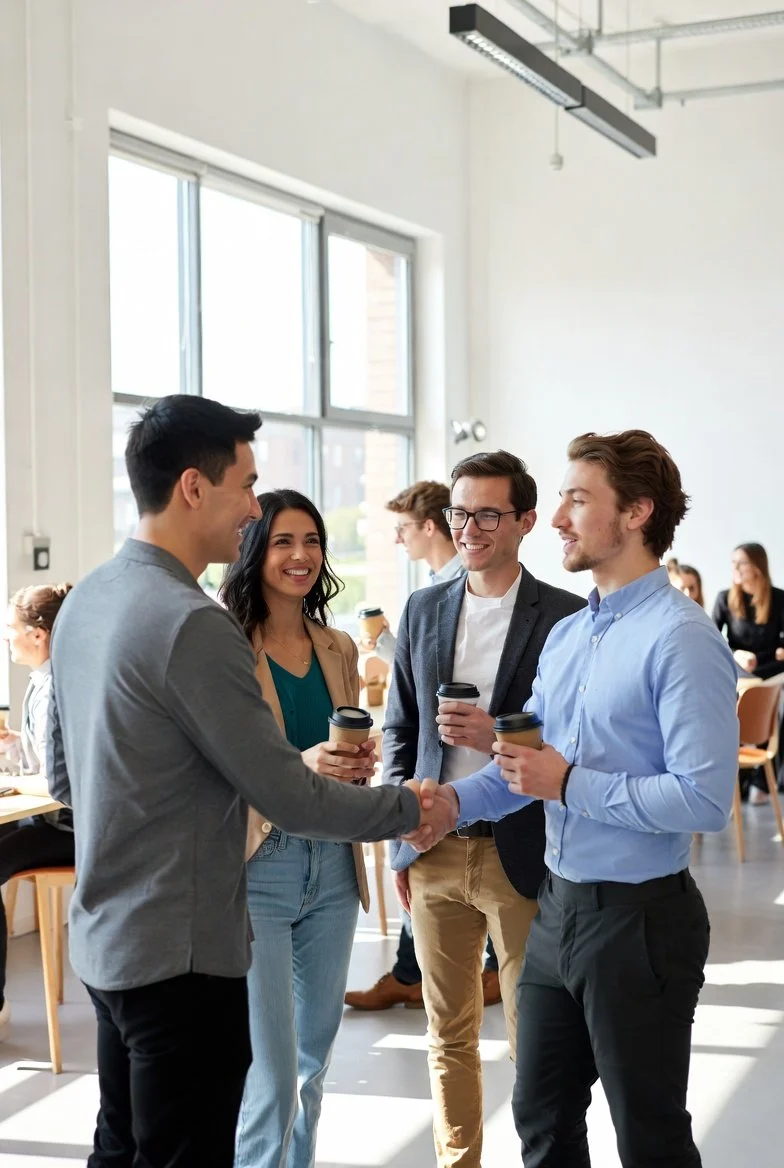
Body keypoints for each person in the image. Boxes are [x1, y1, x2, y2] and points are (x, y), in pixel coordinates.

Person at [45, 395, 451, 1168]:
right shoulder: (193, 622)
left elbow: (67, 775)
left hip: (106, 942)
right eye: (247, 484)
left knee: (121, 1148)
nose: (253, 508)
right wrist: (408, 807)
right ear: (195, 487)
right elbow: (288, 795)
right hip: (183, 955)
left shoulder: (90, 598)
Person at [412, 429, 739, 1168]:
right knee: (542, 1112)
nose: (556, 517)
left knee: (648, 1134)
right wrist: (451, 807)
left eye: (576, 499)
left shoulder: (681, 638)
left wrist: (568, 785)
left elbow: (705, 799)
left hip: (641, 923)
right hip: (558, 910)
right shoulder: (568, 636)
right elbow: (521, 768)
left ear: (635, 514)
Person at [383, 450, 585, 1168]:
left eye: (488, 513)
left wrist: (495, 728)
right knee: (448, 1036)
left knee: (535, 1037)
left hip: (523, 848)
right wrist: (399, 842)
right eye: (459, 513)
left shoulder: (565, 616)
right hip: (434, 845)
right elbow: (399, 733)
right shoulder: (422, 608)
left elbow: (573, 739)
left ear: (526, 521)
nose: (469, 527)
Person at [219, 489, 376, 1168]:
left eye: (311, 541)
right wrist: (300, 765)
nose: (301, 555)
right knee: (272, 1071)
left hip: (335, 865)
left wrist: (356, 763)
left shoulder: (337, 646)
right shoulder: (223, 644)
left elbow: (345, 750)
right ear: (255, 550)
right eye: (283, 541)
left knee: (314, 1057)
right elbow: (218, 765)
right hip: (261, 864)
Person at [345, 479, 501, 1013]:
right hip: (437, 796)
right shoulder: (430, 597)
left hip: (489, 800)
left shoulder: (487, 589)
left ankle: (437, 972)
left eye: (404, 528)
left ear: (430, 526)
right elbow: (409, 710)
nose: (397, 539)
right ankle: (412, 973)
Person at [0, 583, 74, 1040]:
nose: (7, 639)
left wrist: (16, 783)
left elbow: (58, 786)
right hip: (48, 818)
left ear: (38, 635)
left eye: (12, 630)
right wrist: (12, 750)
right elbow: (41, 762)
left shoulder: (56, 690)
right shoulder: (41, 683)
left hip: (72, 828)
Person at [712, 543, 784, 680]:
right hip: (736, 668)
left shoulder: (780, 598)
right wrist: (735, 654)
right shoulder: (724, 598)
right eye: (733, 562)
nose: (735, 568)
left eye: (742, 563)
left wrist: (779, 650)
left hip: (771, 669)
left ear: (758, 567)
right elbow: (712, 640)